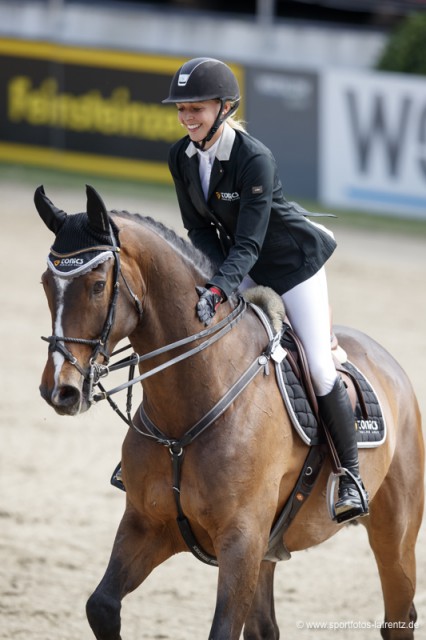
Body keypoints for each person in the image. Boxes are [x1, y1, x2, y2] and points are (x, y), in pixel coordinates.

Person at [161, 57, 369, 523]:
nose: (187, 117)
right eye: (182, 109)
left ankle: (350, 475)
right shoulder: (181, 156)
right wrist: (214, 283)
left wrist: (219, 288)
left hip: (292, 267)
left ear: (225, 107)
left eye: (196, 108)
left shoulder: (254, 158)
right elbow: (198, 232)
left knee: (316, 363)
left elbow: (252, 242)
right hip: (241, 265)